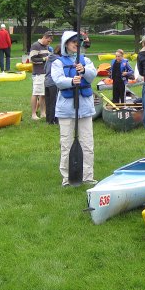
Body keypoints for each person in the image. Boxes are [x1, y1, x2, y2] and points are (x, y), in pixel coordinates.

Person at [52, 31, 97, 186]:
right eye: (72, 41)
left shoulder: (86, 60)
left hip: (84, 108)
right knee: (66, 144)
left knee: (87, 143)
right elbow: (58, 80)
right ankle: (67, 178)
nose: (76, 43)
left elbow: (92, 75)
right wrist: (72, 81)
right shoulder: (58, 62)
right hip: (66, 109)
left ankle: (87, 176)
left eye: (78, 41)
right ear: (66, 44)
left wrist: (83, 70)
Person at [29, 32, 54, 120]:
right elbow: (32, 59)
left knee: (43, 94)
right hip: (38, 73)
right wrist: (44, 59)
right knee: (36, 93)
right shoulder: (35, 46)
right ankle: (33, 114)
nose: (49, 43)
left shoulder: (46, 47)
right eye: (48, 41)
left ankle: (43, 113)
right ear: (44, 37)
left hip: (45, 72)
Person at [44, 45, 61, 124]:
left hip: (46, 82)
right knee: (54, 101)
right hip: (53, 82)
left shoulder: (49, 58)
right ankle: (53, 120)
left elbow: (44, 69)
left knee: (48, 101)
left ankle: (48, 119)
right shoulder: (58, 59)